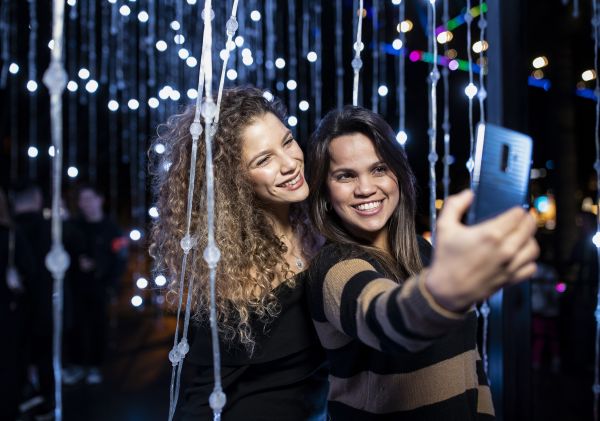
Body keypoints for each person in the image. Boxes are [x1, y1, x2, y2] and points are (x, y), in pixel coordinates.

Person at [305, 106, 539, 419]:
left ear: (398, 175)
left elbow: (471, 368)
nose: (365, 188)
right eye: (345, 176)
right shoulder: (332, 266)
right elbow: (385, 319)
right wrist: (446, 289)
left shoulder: (424, 252)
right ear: (325, 192)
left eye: (378, 169)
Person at [150, 87, 327, 420]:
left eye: (287, 142)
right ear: (235, 181)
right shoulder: (236, 269)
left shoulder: (318, 222)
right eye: (264, 160)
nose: (290, 164)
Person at [65, 184, 128, 385]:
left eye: (90, 199)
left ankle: (94, 365)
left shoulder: (112, 229)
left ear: (100, 200)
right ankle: (76, 364)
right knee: (75, 325)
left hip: (100, 287)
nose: (86, 204)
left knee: (97, 326)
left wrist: (100, 269)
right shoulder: (74, 226)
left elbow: (120, 259)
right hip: (76, 286)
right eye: (82, 200)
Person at [0, 188, 34, 420]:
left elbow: (29, 272)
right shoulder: (11, 235)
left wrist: (17, 279)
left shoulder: (11, 235)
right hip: (7, 311)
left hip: (6, 313)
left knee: (7, 367)